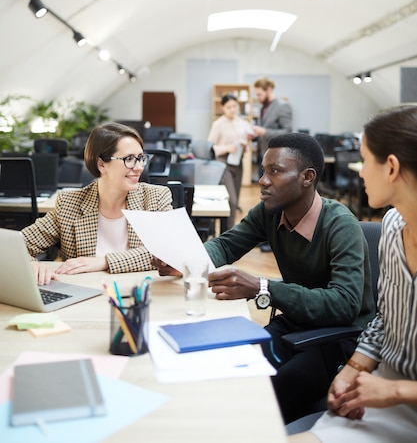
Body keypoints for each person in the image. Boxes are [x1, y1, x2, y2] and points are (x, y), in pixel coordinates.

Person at [154, 132, 374, 424]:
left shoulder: (340, 225)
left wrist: (262, 287)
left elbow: (344, 305)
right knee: (230, 368)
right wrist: (186, 261)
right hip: (296, 324)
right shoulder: (270, 212)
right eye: (263, 171)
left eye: (275, 171)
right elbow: (226, 244)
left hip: (340, 339)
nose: (263, 180)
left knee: (265, 396)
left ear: (307, 177)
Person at [289, 105, 417, 443]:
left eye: (364, 160)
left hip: (395, 396)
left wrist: (397, 391)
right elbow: (386, 319)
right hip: (378, 395)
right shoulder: (392, 226)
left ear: (391, 167)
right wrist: (353, 369)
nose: (359, 172)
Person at [24, 122, 172, 285]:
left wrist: (104, 261)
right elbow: (17, 246)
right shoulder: (69, 204)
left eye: (141, 158)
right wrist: (32, 265)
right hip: (84, 296)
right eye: (129, 159)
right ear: (101, 164)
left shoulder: (156, 197)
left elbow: (167, 251)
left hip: (140, 294)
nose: (139, 167)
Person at [208, 93, 254, 228]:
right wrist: (227, 147)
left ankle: (228, 233)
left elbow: (248, 145)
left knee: (235, 202)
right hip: (223, 164)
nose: (232, 109)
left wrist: (246, 145)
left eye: (235, 106)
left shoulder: (242, 123)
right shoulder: (218, 124)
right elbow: (210, 148)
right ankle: (226, 235)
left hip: (238, 163)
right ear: (223, 107)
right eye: (229, 107)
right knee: (231, 201)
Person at [251, 77, 293, 173]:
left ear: (269, 89)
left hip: (275, 159)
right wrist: (254, 135)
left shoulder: (282, 106)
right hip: (262, 156)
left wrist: (265, 131)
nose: (257, 98)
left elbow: (287, 132)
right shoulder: (263, 108)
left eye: (259, 94)